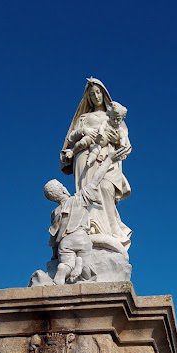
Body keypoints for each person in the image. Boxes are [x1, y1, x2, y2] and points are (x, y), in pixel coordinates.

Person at [60, 78, 132, 249]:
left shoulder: (113, 116)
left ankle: (110, 231)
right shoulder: (84, 117)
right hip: (84, 156)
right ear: (88, 98)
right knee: (87, 192)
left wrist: (116, 140)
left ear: (104, 93)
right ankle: (88, 226)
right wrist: (84, 130)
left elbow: (125, 142)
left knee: (106, 188)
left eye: (98, 92)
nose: (96, 96)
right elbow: (71, 137)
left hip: (109, 157)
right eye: (92, 94)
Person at [44, 148, 126, 285]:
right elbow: (96, 179)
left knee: (66, 264)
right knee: (87, 270)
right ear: (63, 189)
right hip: (81, 238)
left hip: (65, 243)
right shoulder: (78, 199)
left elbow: (53, 238)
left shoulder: (55, 213)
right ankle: (81, 266)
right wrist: (109, 160)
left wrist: (55, 256)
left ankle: (65, 268)